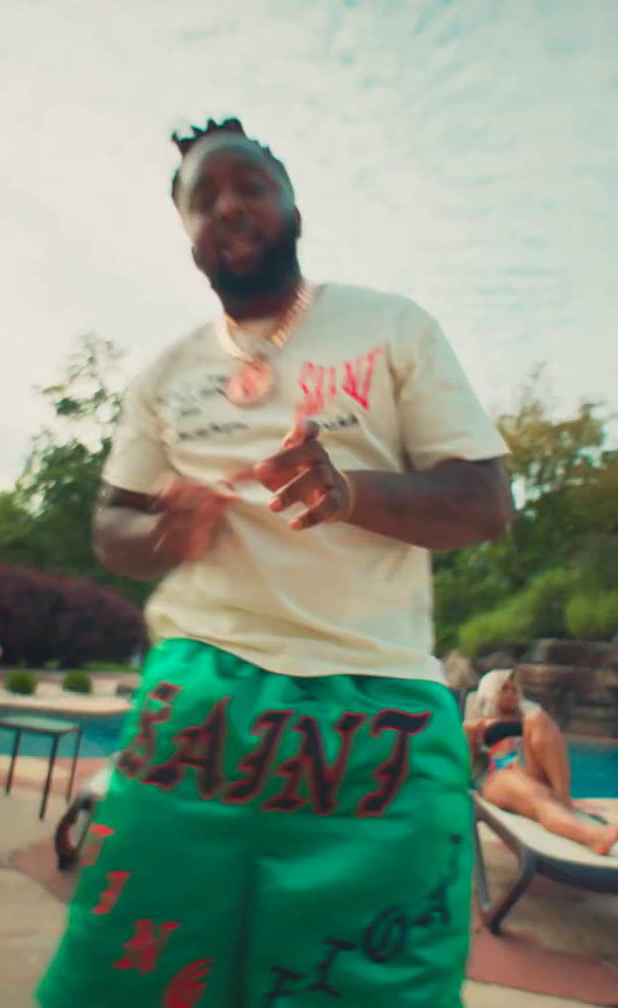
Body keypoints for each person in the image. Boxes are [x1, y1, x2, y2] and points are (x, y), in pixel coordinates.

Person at [36, 117, 514, 1008]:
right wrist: (162, 536)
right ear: (187, 234)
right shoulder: (165, 375)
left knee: (379, 980)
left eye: (248, 183)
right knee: (124, 980)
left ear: (291, 200)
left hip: (377, 702)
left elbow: (486, 502)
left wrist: (350, 493)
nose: (228, 205)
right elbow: (112, 525)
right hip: (199, 694)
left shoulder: (391, 325)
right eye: (202, 197)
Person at [464, 669, 618, 855]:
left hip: (526, 769)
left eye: (514, 689)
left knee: (538, 718)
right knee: (538, 797)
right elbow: (466, 769)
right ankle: (593, 837)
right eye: (504, 689)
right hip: (497, 777)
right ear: (491, 692)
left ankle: (563, 799)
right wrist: (470, 735)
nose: (511, 693)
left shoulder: (526, 718)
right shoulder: (476, 724)